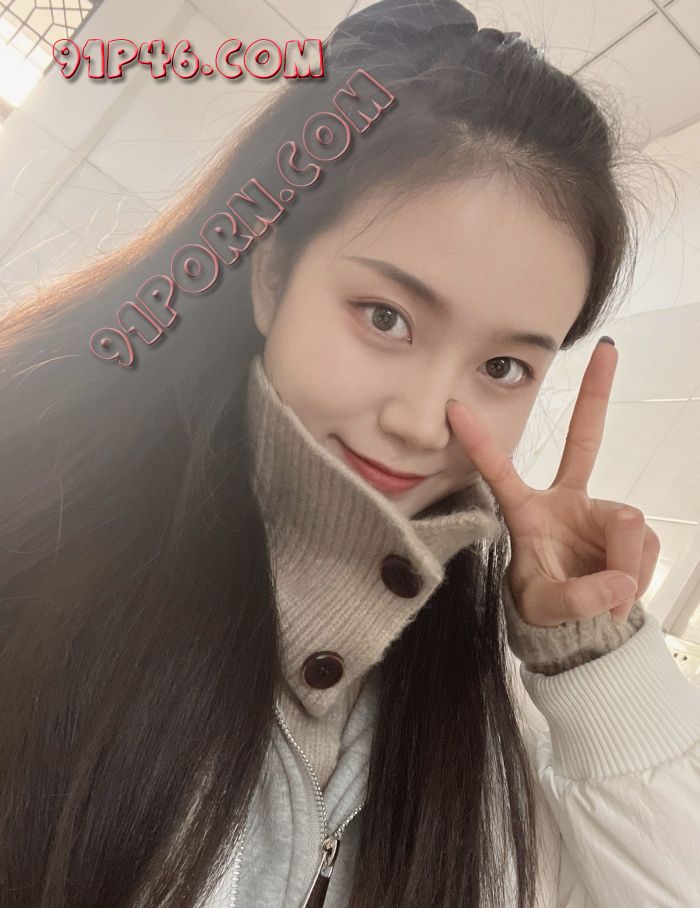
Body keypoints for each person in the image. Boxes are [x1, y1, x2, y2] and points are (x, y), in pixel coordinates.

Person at [1, 0, 698, 905]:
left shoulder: (498, 699)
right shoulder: (32, 545)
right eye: (386, 317)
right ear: (272, 276)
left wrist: (589, 660)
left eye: (502, 366)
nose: (421, 422)